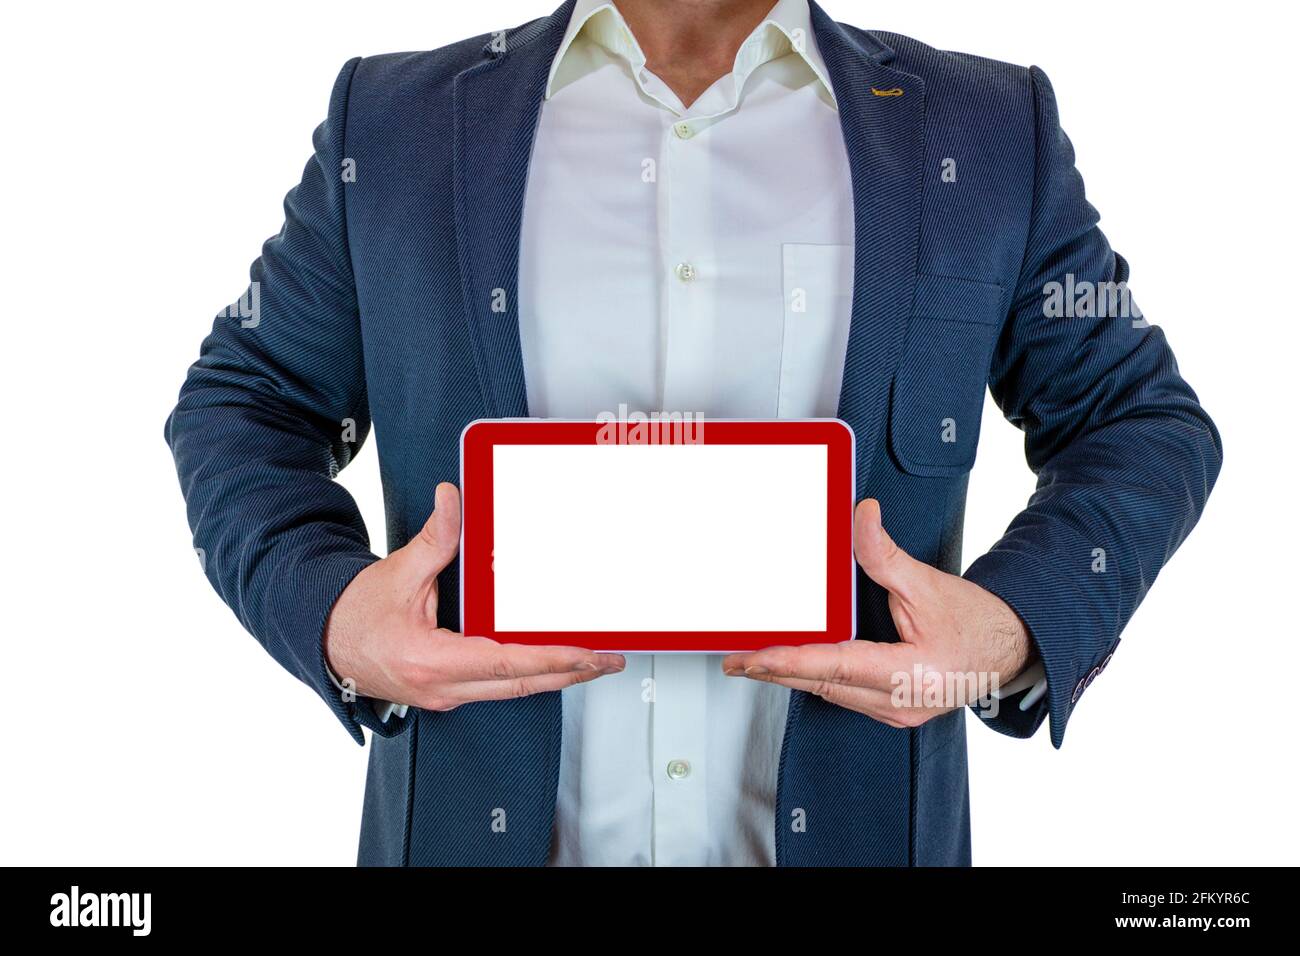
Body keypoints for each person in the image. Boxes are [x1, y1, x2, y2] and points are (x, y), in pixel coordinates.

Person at [165, 0, 1221, 866]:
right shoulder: (391, 125)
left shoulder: (985, 130)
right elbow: (245, 399)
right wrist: (334, 613)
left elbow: (1137, 421)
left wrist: (1006, 629)